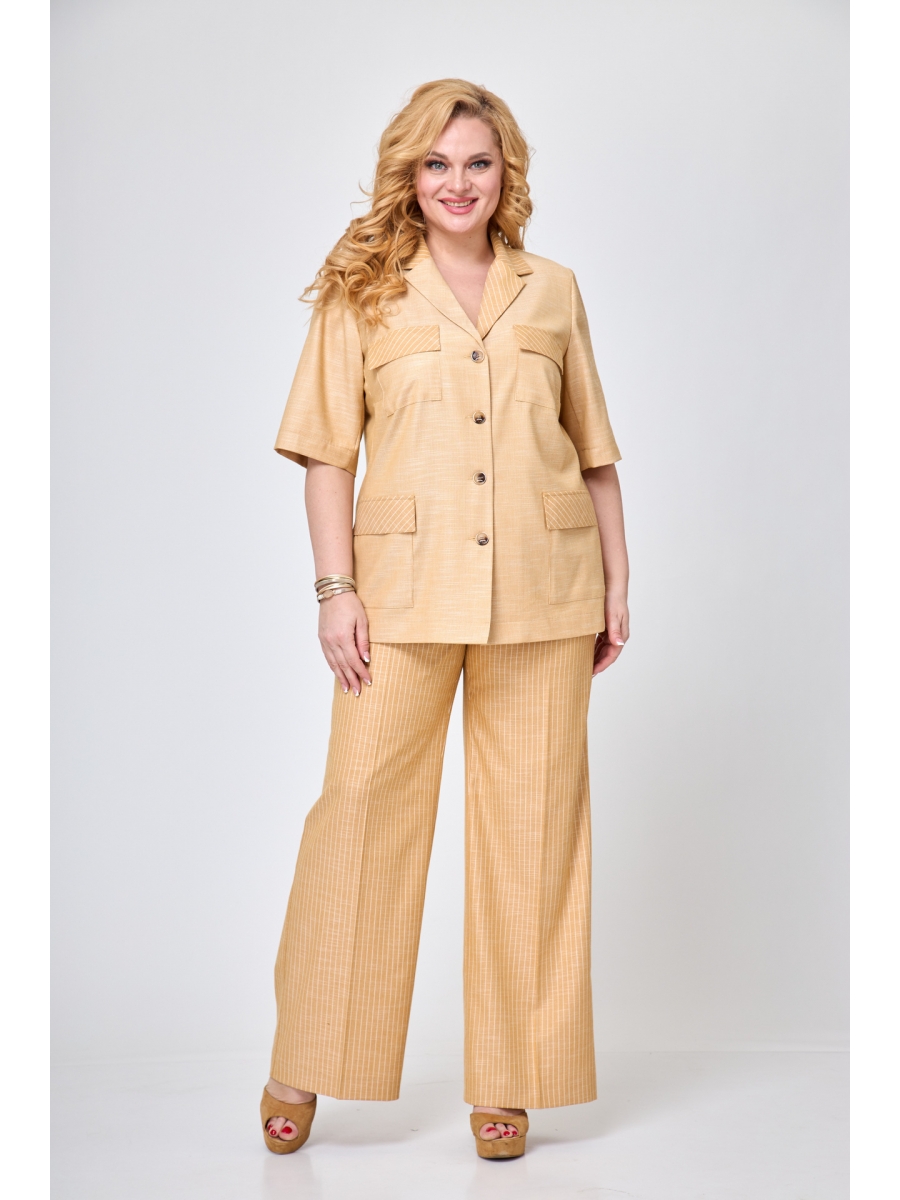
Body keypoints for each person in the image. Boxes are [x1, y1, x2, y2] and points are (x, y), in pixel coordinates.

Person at [260, 78, 629, 1161]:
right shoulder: (362, 289)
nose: (457, 183)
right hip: (402, 595)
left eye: (476, 162)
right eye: (435, 164)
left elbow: (594, 453)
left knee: (533, 835)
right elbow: (327, 456)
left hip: (546, 590)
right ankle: (305, 1056)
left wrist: (617, 584)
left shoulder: (553, 291)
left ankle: (509, 1079)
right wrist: (334, 590)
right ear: (407, 177)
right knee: (359, 817)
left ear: (506, 171)